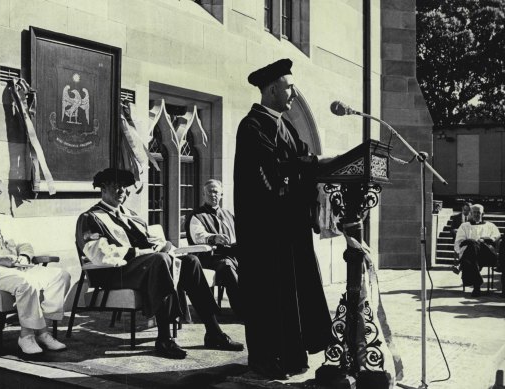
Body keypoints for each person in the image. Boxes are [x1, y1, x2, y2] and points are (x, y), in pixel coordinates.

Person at [75, 168, 243, 359]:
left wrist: (165, 246)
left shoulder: (131, 215)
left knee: (190, 261)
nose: (122, 191)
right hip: (113, 273)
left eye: (124, 187)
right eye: (116, 186)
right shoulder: (91, 218)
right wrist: (142, 252)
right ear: (103, 189)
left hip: (144, 266)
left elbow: (151, 241)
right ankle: (164, 338)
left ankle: (213, 332)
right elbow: (99, 253)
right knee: (160, 260)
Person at [233, 59, 332, 379]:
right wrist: (313, 162)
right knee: (268, 295)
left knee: (292, 294)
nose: (294, 93)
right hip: (266, 232)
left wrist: (318, 170)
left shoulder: (286, 126)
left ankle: (292, 355)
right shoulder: (252, 126)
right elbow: (271, 168)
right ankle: (264, 358)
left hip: (289, 229)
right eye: (289, 88)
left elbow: (302, 161)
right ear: (273, 89)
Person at [0, 177, 71, 355]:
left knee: (61, 275)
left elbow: (25, 244)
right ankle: (27, 335)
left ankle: (42, 330)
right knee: (26, 282)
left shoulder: (6, 219)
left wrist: (24, 256)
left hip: (14, 269)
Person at [186, 179, 241, 317]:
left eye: (216, 192)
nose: (213, 195)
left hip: (232, 254)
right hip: (209, 258)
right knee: (227, 266)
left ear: (221, 194)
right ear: (203, 195)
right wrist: (213, 238)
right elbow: (198, 236)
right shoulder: (197, 216)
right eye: (209, 192)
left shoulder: (228, 215)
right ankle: (242, 310)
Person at [454, 203, 502, 297]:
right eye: (474, 212)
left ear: (482, 214)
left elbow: (496, 237)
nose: (476, 215)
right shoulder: (464, 226)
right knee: (472, 246)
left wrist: (483, 240)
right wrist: (473, 242)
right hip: (472, 256)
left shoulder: (490, 226)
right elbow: (459, 241)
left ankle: (472, 280)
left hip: (486, 255)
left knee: (473, 246)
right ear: (471, 213)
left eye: (478, 213)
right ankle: (477, 286)